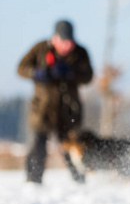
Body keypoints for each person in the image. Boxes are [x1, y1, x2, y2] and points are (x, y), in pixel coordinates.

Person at [17, 20, 93, 184]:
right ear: (55, 38)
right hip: (42, 109)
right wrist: (36, 73)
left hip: (68, 110)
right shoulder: (40, 49)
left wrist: (71, 73)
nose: (66, 46)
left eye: (69, 42)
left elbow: (88, 76)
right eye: (63, 42)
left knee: (72, 148)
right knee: (37, 147)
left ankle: (80, 182)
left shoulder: (80, 52)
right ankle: (33, 182)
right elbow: (21, 68)